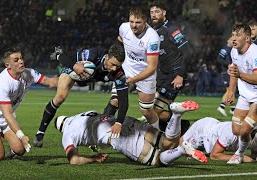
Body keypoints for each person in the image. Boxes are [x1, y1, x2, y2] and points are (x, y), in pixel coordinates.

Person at [0, 48, 59, 160]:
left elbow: (50, 82)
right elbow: (8, 114)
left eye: (21, 58)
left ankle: (12, 151)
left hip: (5, 116)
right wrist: (21, 136)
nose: (21, 61)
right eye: (16, 60)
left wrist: (70, 76)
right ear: (8, 65)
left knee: (20, 149)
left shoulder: (29, 73)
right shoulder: (2, 83)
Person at [34, 42, 128, 147]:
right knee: (60, 97)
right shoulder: (93, 54)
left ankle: (99, 135)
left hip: (89, 78)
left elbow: (124, 100)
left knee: (117, 101)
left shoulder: (119, 73)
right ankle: (40, 133)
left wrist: (119, 122)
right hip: (76, 71)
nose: (115, 68)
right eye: (113, 64)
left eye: (118, 66)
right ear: (107, 57)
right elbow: (67, 57)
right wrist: (70, 63)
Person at [54, 101, 207, 165]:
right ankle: (176, 114)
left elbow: (74, 160)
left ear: (61, 128)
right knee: (167, 142)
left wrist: (93, 158)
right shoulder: (84, 114)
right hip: (123, 122)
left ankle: (182, 149)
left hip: (118, 137)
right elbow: (94, 128)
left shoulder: (67, 133)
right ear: (67, 118)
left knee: (157, 159)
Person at [225, 23, 257, 164]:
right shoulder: (234, 51)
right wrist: (230, 91)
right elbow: (234, 71)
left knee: (245, 130)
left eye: (238, 35)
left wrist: (240, 75)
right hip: (245, 94)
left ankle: (239, 155)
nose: (234, 38)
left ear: (247, 39)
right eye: (233, 34)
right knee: (236, 130)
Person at [104, 7, 161, 129]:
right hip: (126, 69)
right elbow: (118, 43)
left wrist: (134, 79)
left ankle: (158, 135)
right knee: (115, 100)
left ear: (145, 21)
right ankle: (100, 131)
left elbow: (152, 67)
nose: (133, 26)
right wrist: (112, 59)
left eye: (138, 22)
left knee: (146, 111)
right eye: (131, 21)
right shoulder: (124, 28)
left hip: (145, 74)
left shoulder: (152, 38)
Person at [148, 1, 193, 131]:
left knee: (154, 112)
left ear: (164, 13)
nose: (154, 15)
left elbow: (188, 52)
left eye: (157, 12)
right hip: (161, 77)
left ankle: (183, 129)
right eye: (151, 12)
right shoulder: (152, 31)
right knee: (152, 111)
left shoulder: (171, 29)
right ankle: (176, 132)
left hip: (174, 76)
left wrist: (180, 75)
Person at [165, 117, 257, 163]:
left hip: (214, 133)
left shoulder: (256, 139)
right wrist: (241, 157)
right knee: (175, 147)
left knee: (190, 150)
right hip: (204, 129)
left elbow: (256, 153)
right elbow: (214, 155)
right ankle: (176, 117)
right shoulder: (230, 133)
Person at [216, 36, 235, 117]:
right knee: (230, 90)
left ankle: (233, 109)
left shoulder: (232, 49)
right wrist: (227, 64)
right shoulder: (225, 49)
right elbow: (219, 59)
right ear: (228, 40)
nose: (233, 41)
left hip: (230, 71)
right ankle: (222, 106)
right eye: (232, 40)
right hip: (226, 72)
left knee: (232, 90)